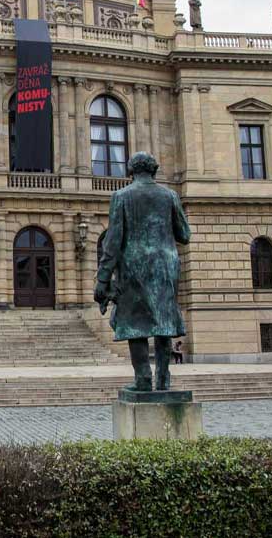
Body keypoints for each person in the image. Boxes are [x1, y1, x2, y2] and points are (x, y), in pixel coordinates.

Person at [95, 151, 191, 391]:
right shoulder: (170, 196)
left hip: (134, 266)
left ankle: (143, 378)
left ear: (131, 171)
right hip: (166, 265)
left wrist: (103, 278)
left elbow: (113, 241)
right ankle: (163, 378)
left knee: (135, 322)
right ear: (154, 170)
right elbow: (184, 235)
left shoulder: (121, 197)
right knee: (164, 320)